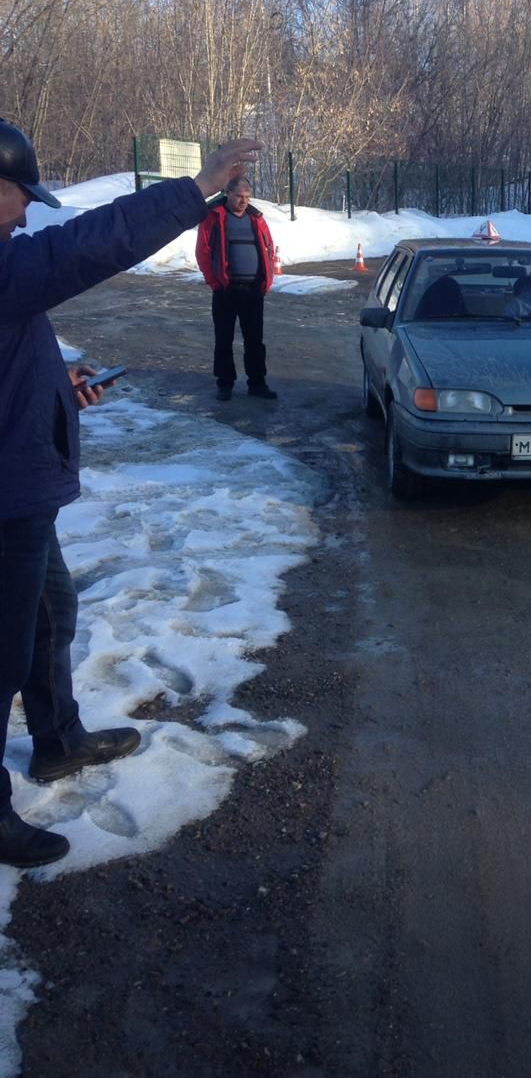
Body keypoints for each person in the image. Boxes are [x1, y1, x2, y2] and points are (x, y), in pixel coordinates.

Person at [0, 121, 262, 867]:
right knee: (1, 654)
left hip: (20, 488)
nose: (25, 215)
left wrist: (62, 384)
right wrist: (199, 188)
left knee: (51, 616)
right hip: (4, 497)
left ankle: (57, 742)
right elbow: (85, 247)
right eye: (20, 197)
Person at [195, 176, 278, 401]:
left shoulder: (256, 219)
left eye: (247, 197)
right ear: (228, 194)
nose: (243, 201)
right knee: (224, 339)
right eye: (239, 196)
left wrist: (266, 281)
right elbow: (203, 252)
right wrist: (215, 283)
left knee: (255, 340)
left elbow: (269, 249)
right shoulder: (214, 217)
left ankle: (257, 383)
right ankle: (225, 384)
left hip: (253, 290)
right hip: (225, 290)